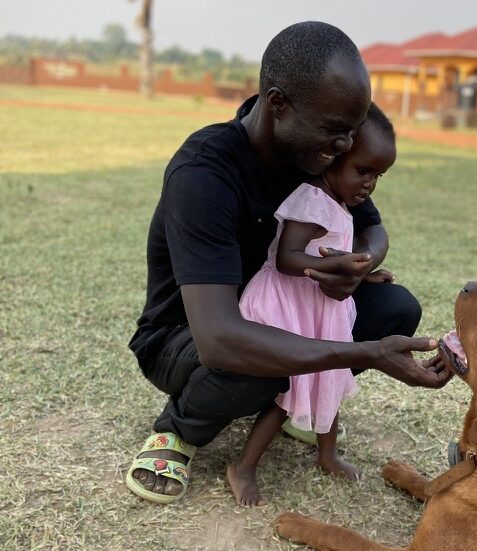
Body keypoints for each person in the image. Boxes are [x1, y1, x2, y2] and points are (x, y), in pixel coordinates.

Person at [125, 21, 452, 505]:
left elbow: (373, 229)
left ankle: (292, 400)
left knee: (393, 308)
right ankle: (177, 430)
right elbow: (219, 340)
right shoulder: (205, 173)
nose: (345, 145)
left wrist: (360, 263)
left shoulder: (314, 156)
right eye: (336, 130)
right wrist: (365, 354)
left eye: (351, 131)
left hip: (274, 315)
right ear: (278, 104)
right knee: (258, 357)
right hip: (185, 336)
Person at [227, 104, 397, 506]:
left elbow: (330, 251)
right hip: (288, 304)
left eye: (378, 175)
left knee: (329, 377)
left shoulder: (340, 201)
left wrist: (361, 272)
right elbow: (286, 257)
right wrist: (335, 263)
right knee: (288, 390)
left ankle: (327, 454)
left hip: (316, 306)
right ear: (333, 158)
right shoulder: (312, 200)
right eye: (363, 170)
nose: (370, 183)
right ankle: (244, 467)